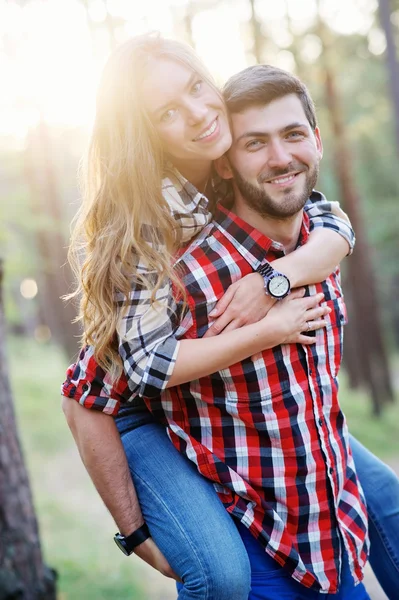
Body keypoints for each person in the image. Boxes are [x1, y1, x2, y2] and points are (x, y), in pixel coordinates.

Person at [62, 35, 399, 599]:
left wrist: (276, 277)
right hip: (137, 407)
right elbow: (95, 387)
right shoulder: (153, 237)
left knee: (384, 504)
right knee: (220, 573)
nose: (197, 114)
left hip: (250, 412)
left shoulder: (245, 181)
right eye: (168, 112)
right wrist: (134, 531)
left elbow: (330, 220)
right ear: (145, 135)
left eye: (198, 88)